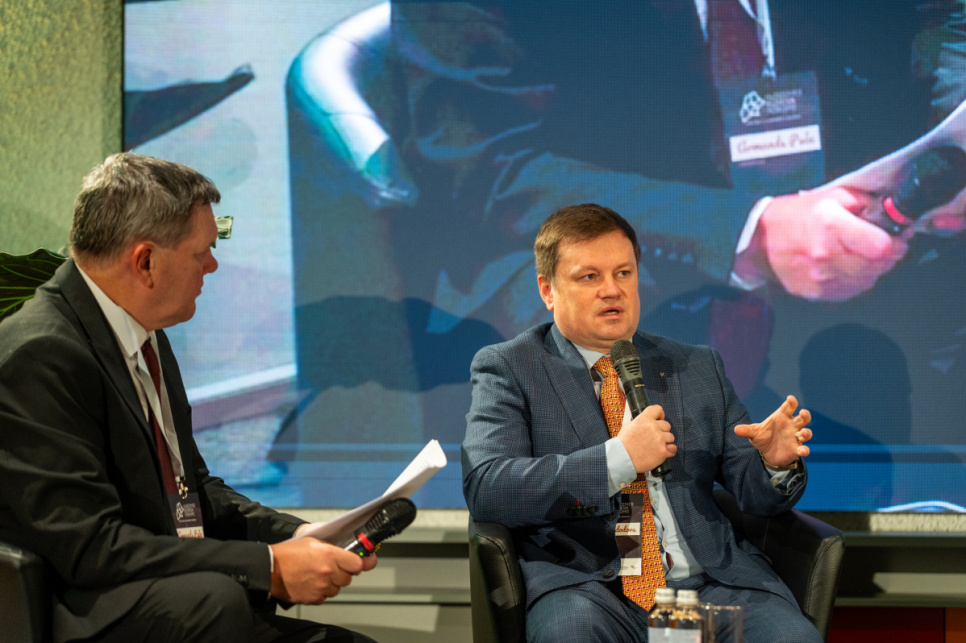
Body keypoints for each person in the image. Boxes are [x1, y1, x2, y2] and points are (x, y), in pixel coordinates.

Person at [0, 153, 378, 643]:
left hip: (174, 602)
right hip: (92, 614)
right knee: (215, 601)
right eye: (202, 252)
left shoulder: (145, 334)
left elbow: (191, 492)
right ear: (146, 262)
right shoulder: (39, 354)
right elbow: (92, 548)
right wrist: (268, 566)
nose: (213, 265)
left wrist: (293, 535)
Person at [462, 203, 820, 643]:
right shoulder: (511, 368)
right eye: (589, 277)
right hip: (593, 592)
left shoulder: (694, 366)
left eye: (623, 273)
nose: (611, 290)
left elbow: (754, 493)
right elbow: (489, 488)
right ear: (548, 290)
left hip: (707, 587)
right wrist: (620, 459)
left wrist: (773, 464)